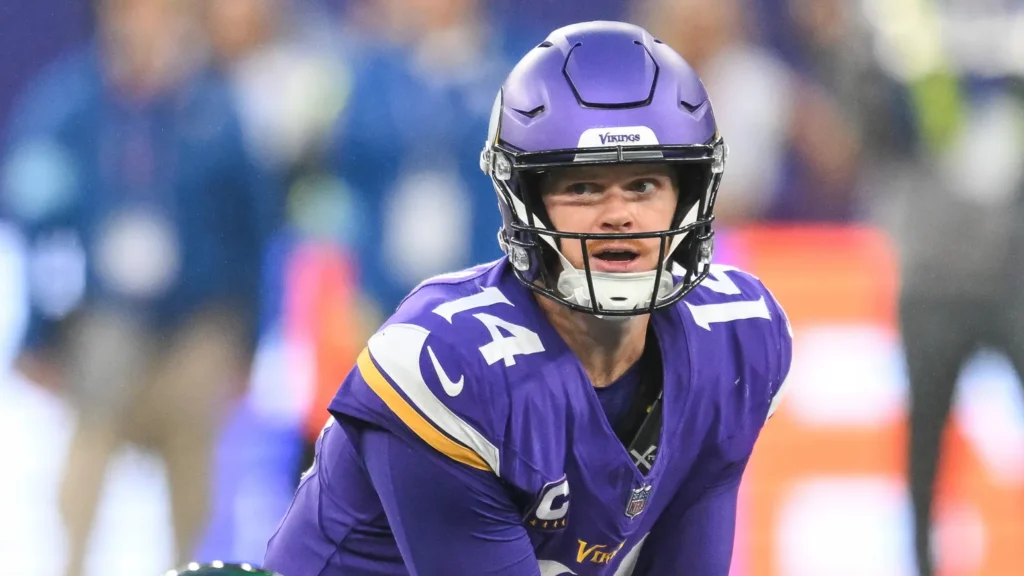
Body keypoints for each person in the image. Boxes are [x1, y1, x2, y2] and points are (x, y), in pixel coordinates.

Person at [263, 21, 792, 575]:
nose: (618, 213)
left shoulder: (737, 339)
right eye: (582, 187)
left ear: (689, 194)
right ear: (526, 202)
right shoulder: (449, 361)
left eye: (644, 185)